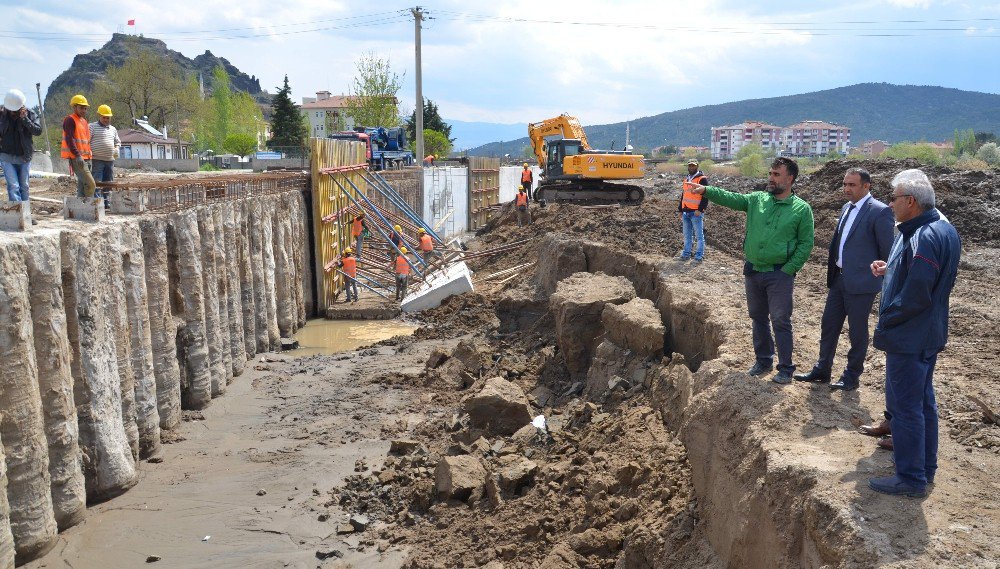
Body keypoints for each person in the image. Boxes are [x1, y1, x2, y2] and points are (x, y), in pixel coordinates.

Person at [868, 169, 960, 498]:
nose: (889, 204)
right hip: (927, 333)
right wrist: (891, 269)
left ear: (910, 201)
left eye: (893, 199)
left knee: (906, 408)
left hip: (910, 335)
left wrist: (887, 317)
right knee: (923, 404)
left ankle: (910, 478)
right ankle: (925, 467)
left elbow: (918, 293)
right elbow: (921, 276)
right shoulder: (942, 229)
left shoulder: (924, 236)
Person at [687, 157, 814, 384]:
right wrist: (706, 190)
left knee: (780, 320)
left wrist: (789, 269)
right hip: (753, 270)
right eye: (770, 174)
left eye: (776, 175)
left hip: (779, 274)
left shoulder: (801, 209)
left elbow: (806, 244)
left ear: (790, 178)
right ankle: (763, 360)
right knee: (758, 317)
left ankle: (785, 368)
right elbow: (731, 198)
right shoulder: (757, 200)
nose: (771, 178)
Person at [795, 168, 894, 391]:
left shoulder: (879, 212)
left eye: (852, 185)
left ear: (866, 186)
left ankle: (851, 376)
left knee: (857, 332)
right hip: (839, 280)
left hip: (862, 284)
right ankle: (822, 369)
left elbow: (887, 252)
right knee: (829, 326)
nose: (847, 189)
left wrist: (876, 273)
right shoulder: (846, 208)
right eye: (845, 184)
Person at [0, 89, 43, 217]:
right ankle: (17, 216)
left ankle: (26, 215)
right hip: (6, 156)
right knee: (13, 186)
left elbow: (38, 131)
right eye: (11, 110)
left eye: (16, 110)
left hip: (24, 157)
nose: (13, 113)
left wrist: (25, 119)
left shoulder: (30, 114)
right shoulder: (2, 114)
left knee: (24, 186)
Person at [61, 94, 96, 198]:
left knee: (82, 185)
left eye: (85, 108)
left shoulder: (84, 121)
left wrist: (89, 155)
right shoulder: (70, 120)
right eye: (81, 108)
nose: (84, 110)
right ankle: (88, 206)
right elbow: (69, 139)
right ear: (74, 107)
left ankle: (79, 208)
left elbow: (85, 141)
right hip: (78, 158)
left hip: (87, 158)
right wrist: (77, 155)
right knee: (91, 184)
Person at [678, 159, 708, 263]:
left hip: (696, 212)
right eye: (690, 166)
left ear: (697, 166)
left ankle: (699, 256)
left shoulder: (702, 179)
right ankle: (686, 254)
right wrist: (680, 209)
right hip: (686, 211)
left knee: (699, 236)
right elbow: (684, 195)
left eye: (693, 166)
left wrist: (700, 209)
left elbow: (706, 195)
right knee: (687, 236)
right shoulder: (687, 179)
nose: (691, 167)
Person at [89, 104, 120, 203]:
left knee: (108, 183)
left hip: (110, 160)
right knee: (97, 182)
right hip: (97, 159)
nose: (106, 120)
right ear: (100, 116)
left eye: (108, 118)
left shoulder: (113, 129)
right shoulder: (92, 127)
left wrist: (117, 148)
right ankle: (98, 203)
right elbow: (86, 141)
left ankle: (107, 202)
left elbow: (118, 141)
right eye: (104, 117)